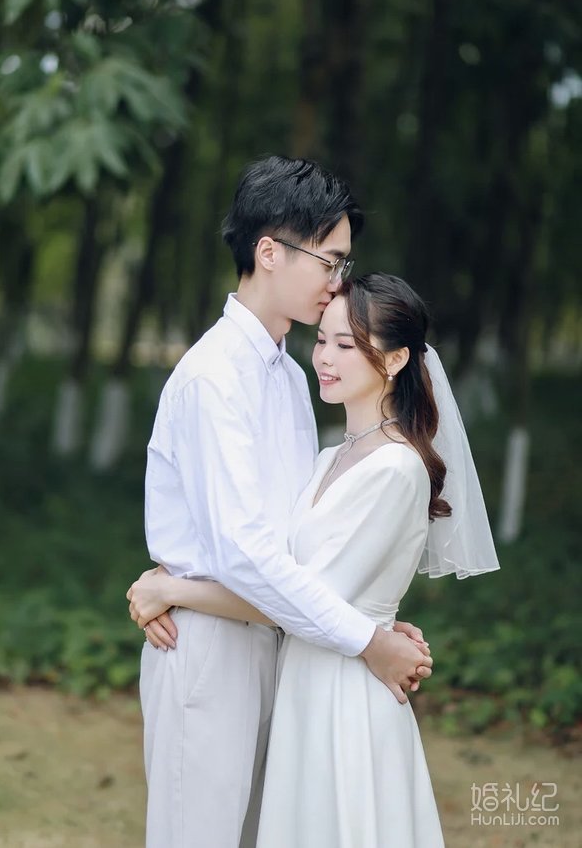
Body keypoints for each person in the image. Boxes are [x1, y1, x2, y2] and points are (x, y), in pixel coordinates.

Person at [130, 273, 500, 847]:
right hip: (306, 679)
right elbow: (295, 579)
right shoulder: (329, 457)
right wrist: (373, 623)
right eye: (322, 339)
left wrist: (171, 590)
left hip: (343, 694)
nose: (324, 357)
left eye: (346, 344)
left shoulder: (396, 467)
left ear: (396, 358)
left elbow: (289, 599)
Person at [128, 157, 434, 848]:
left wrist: (371, 615)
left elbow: (303, 543)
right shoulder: (213, 379)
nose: (339, 281)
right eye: (330, 260)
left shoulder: (292, 379)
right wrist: (366, 639)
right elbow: (244, 555)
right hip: (211, 647)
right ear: (269, 252)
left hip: (290, 645)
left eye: (344, 263)